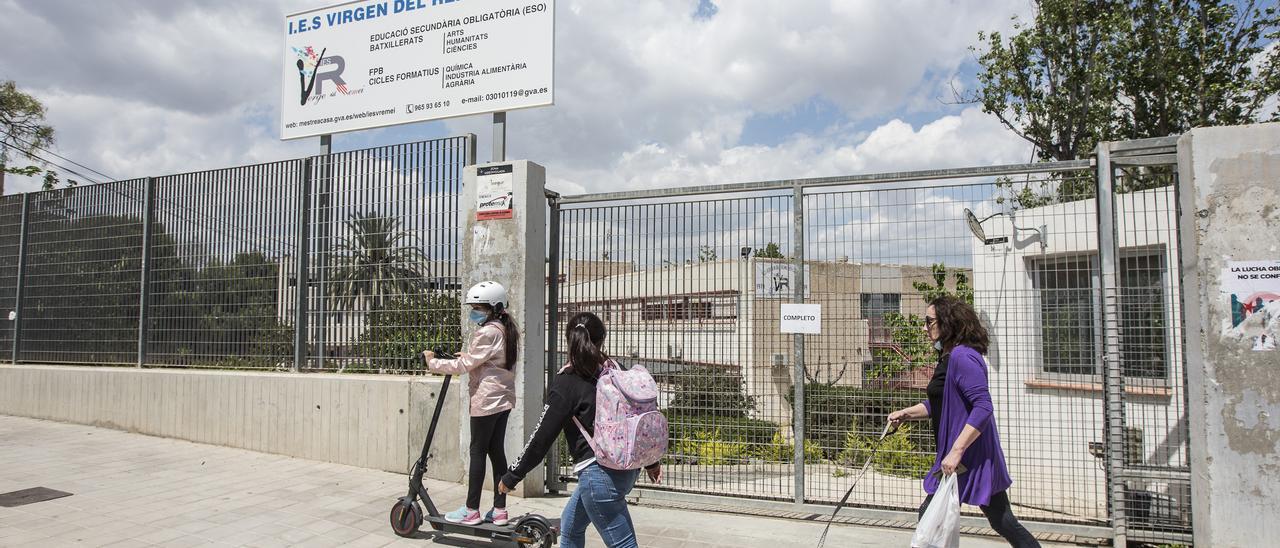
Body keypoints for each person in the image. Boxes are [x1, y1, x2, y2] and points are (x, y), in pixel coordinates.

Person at [498, 312, 662, 548]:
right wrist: (651, 463)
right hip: (626, 468)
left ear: (569, 340)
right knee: (571, 526)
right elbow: (636, 417)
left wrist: (512, 475)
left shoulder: (566, 382)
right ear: (601, 339)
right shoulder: (616, 369)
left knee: (623, 545)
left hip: (599, 477)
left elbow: (541, 438)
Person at [888, 295, 1040, 547]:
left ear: (947, 323)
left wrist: (957, 451)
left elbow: (983, 406)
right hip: (960, 456)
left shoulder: (963, 357)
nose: (924, 327)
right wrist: (906, 414)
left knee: (935, 516)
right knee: (1000, 520)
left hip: (970, 457)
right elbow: (941, 403)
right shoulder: (949, 357)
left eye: (929, 321)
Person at [421, 281, 519, 526]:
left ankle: (471, 510)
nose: (475, 312)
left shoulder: (487, 332)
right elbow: (489, 361)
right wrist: (466, 356)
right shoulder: (506, 329)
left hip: (486, 400)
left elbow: (464, 367)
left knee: (477, 452)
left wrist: (432, 363)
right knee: (496, 452)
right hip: (503, 398)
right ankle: (499, 510)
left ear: (494, 307)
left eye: (479, 307)